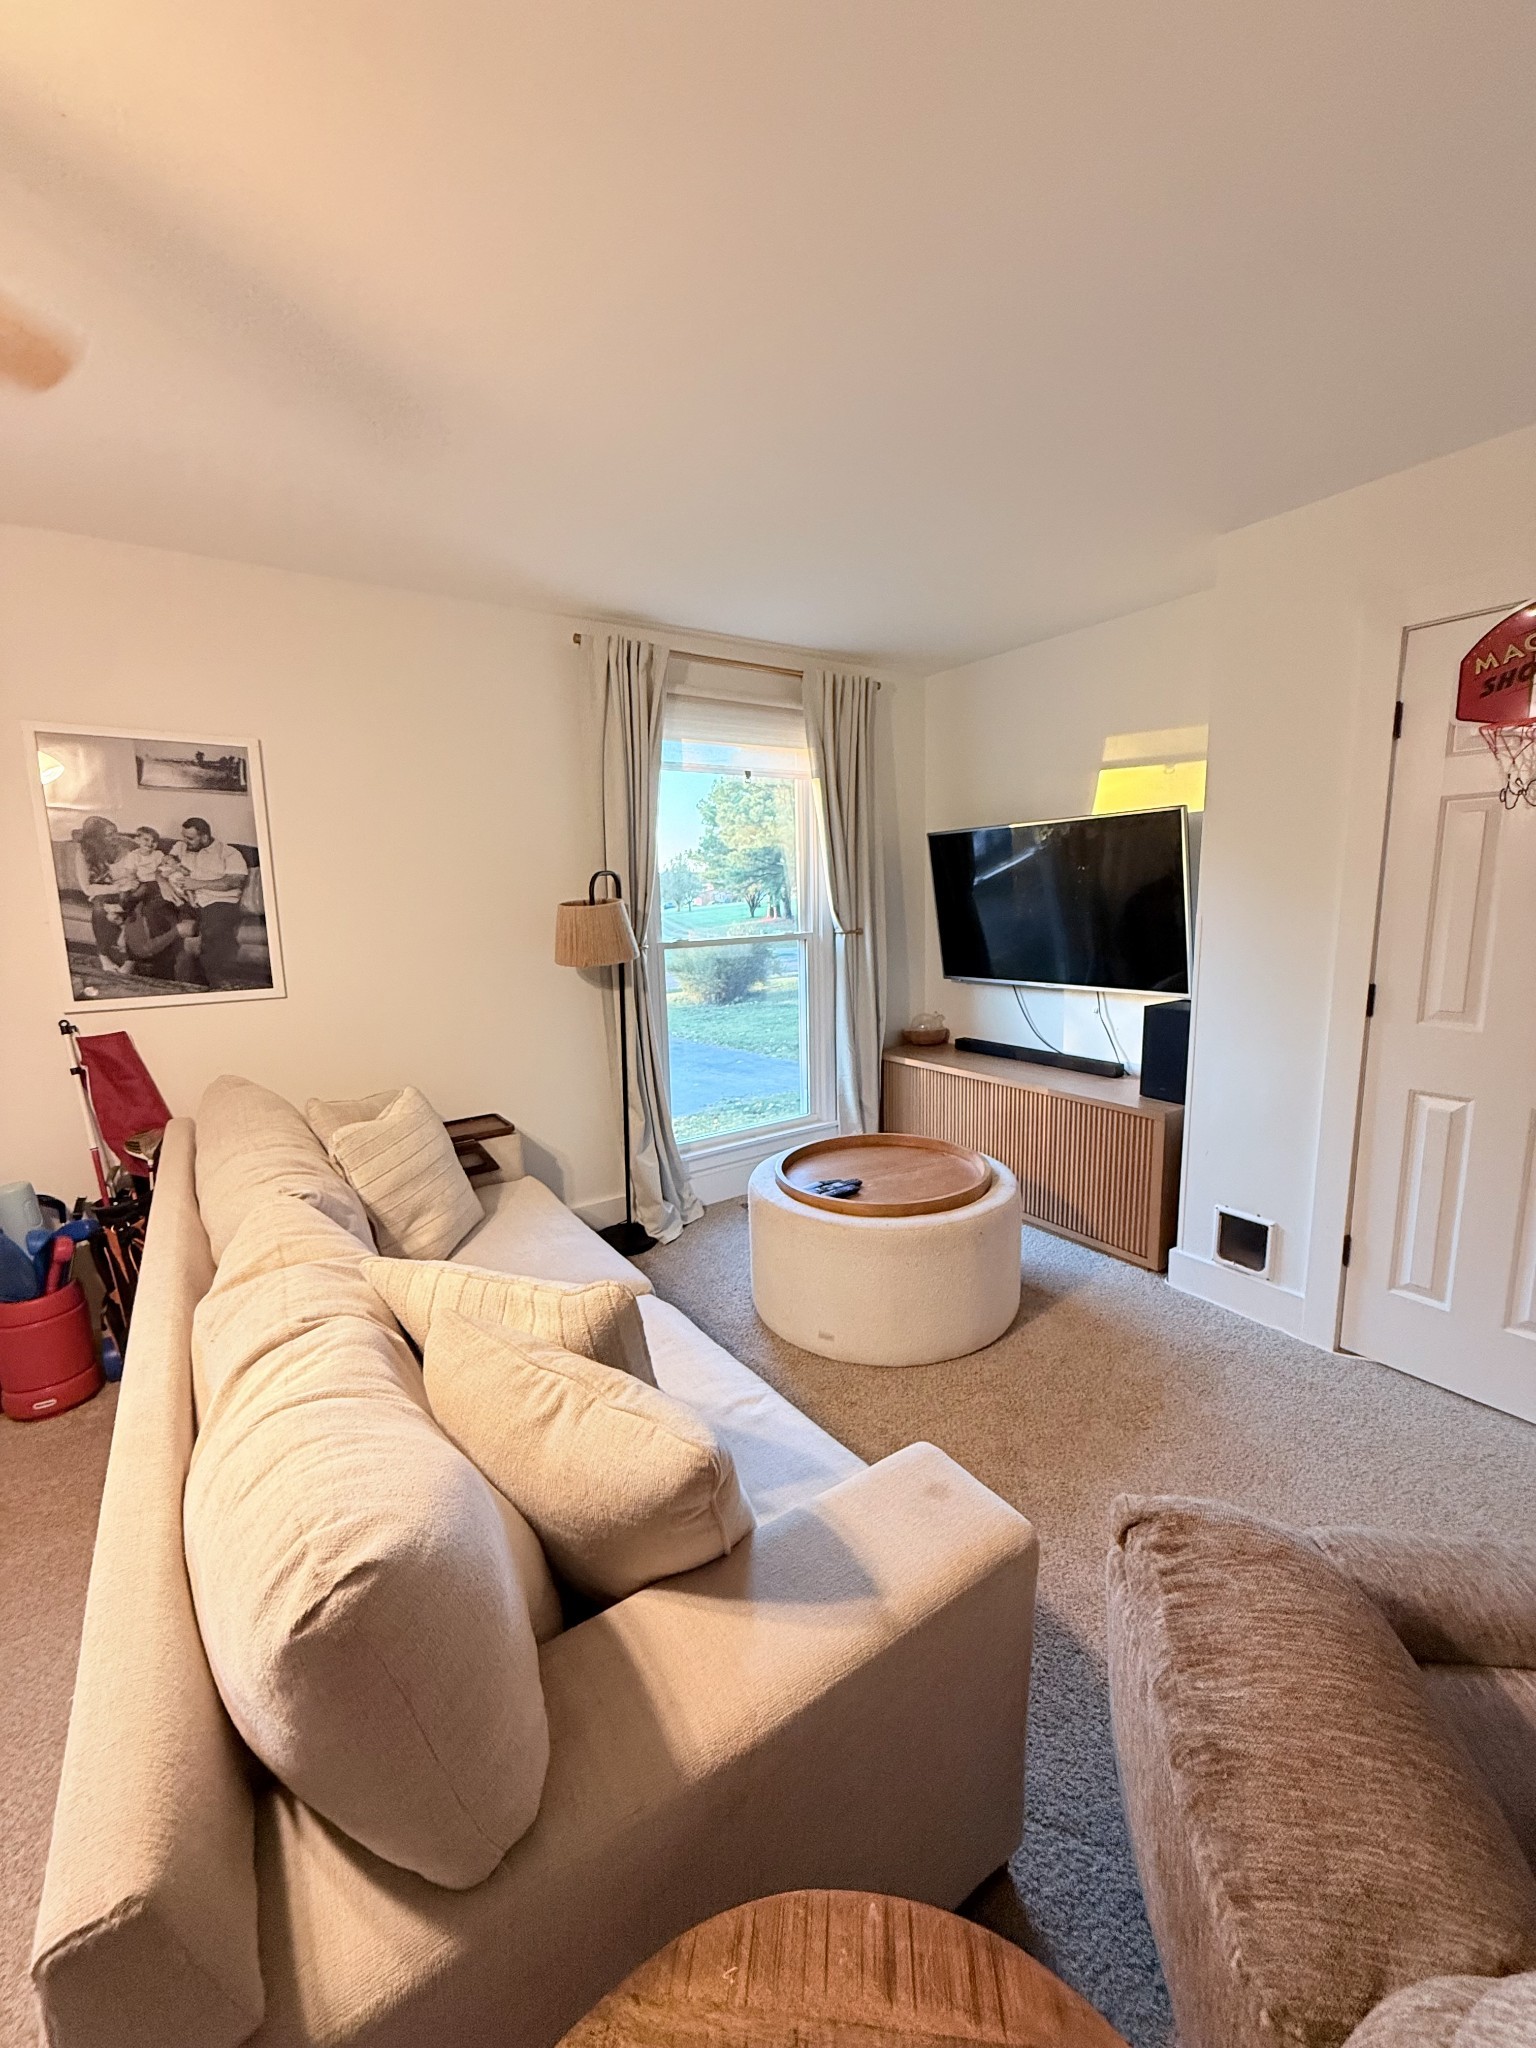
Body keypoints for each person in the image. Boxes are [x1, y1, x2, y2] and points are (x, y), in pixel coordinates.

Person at [170, 816, 249, 987]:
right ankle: (163, 975)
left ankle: (213, 980)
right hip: (189, 900)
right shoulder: (181, 847)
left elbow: (234, 881)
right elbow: (165, 865)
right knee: (156, 911)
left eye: (190, 838)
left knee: (213, 930)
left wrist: (198, 884)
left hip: (219, 901)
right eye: (183, 836)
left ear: (205, 837)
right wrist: (164, 883)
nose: (185, 841)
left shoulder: (228, 853)